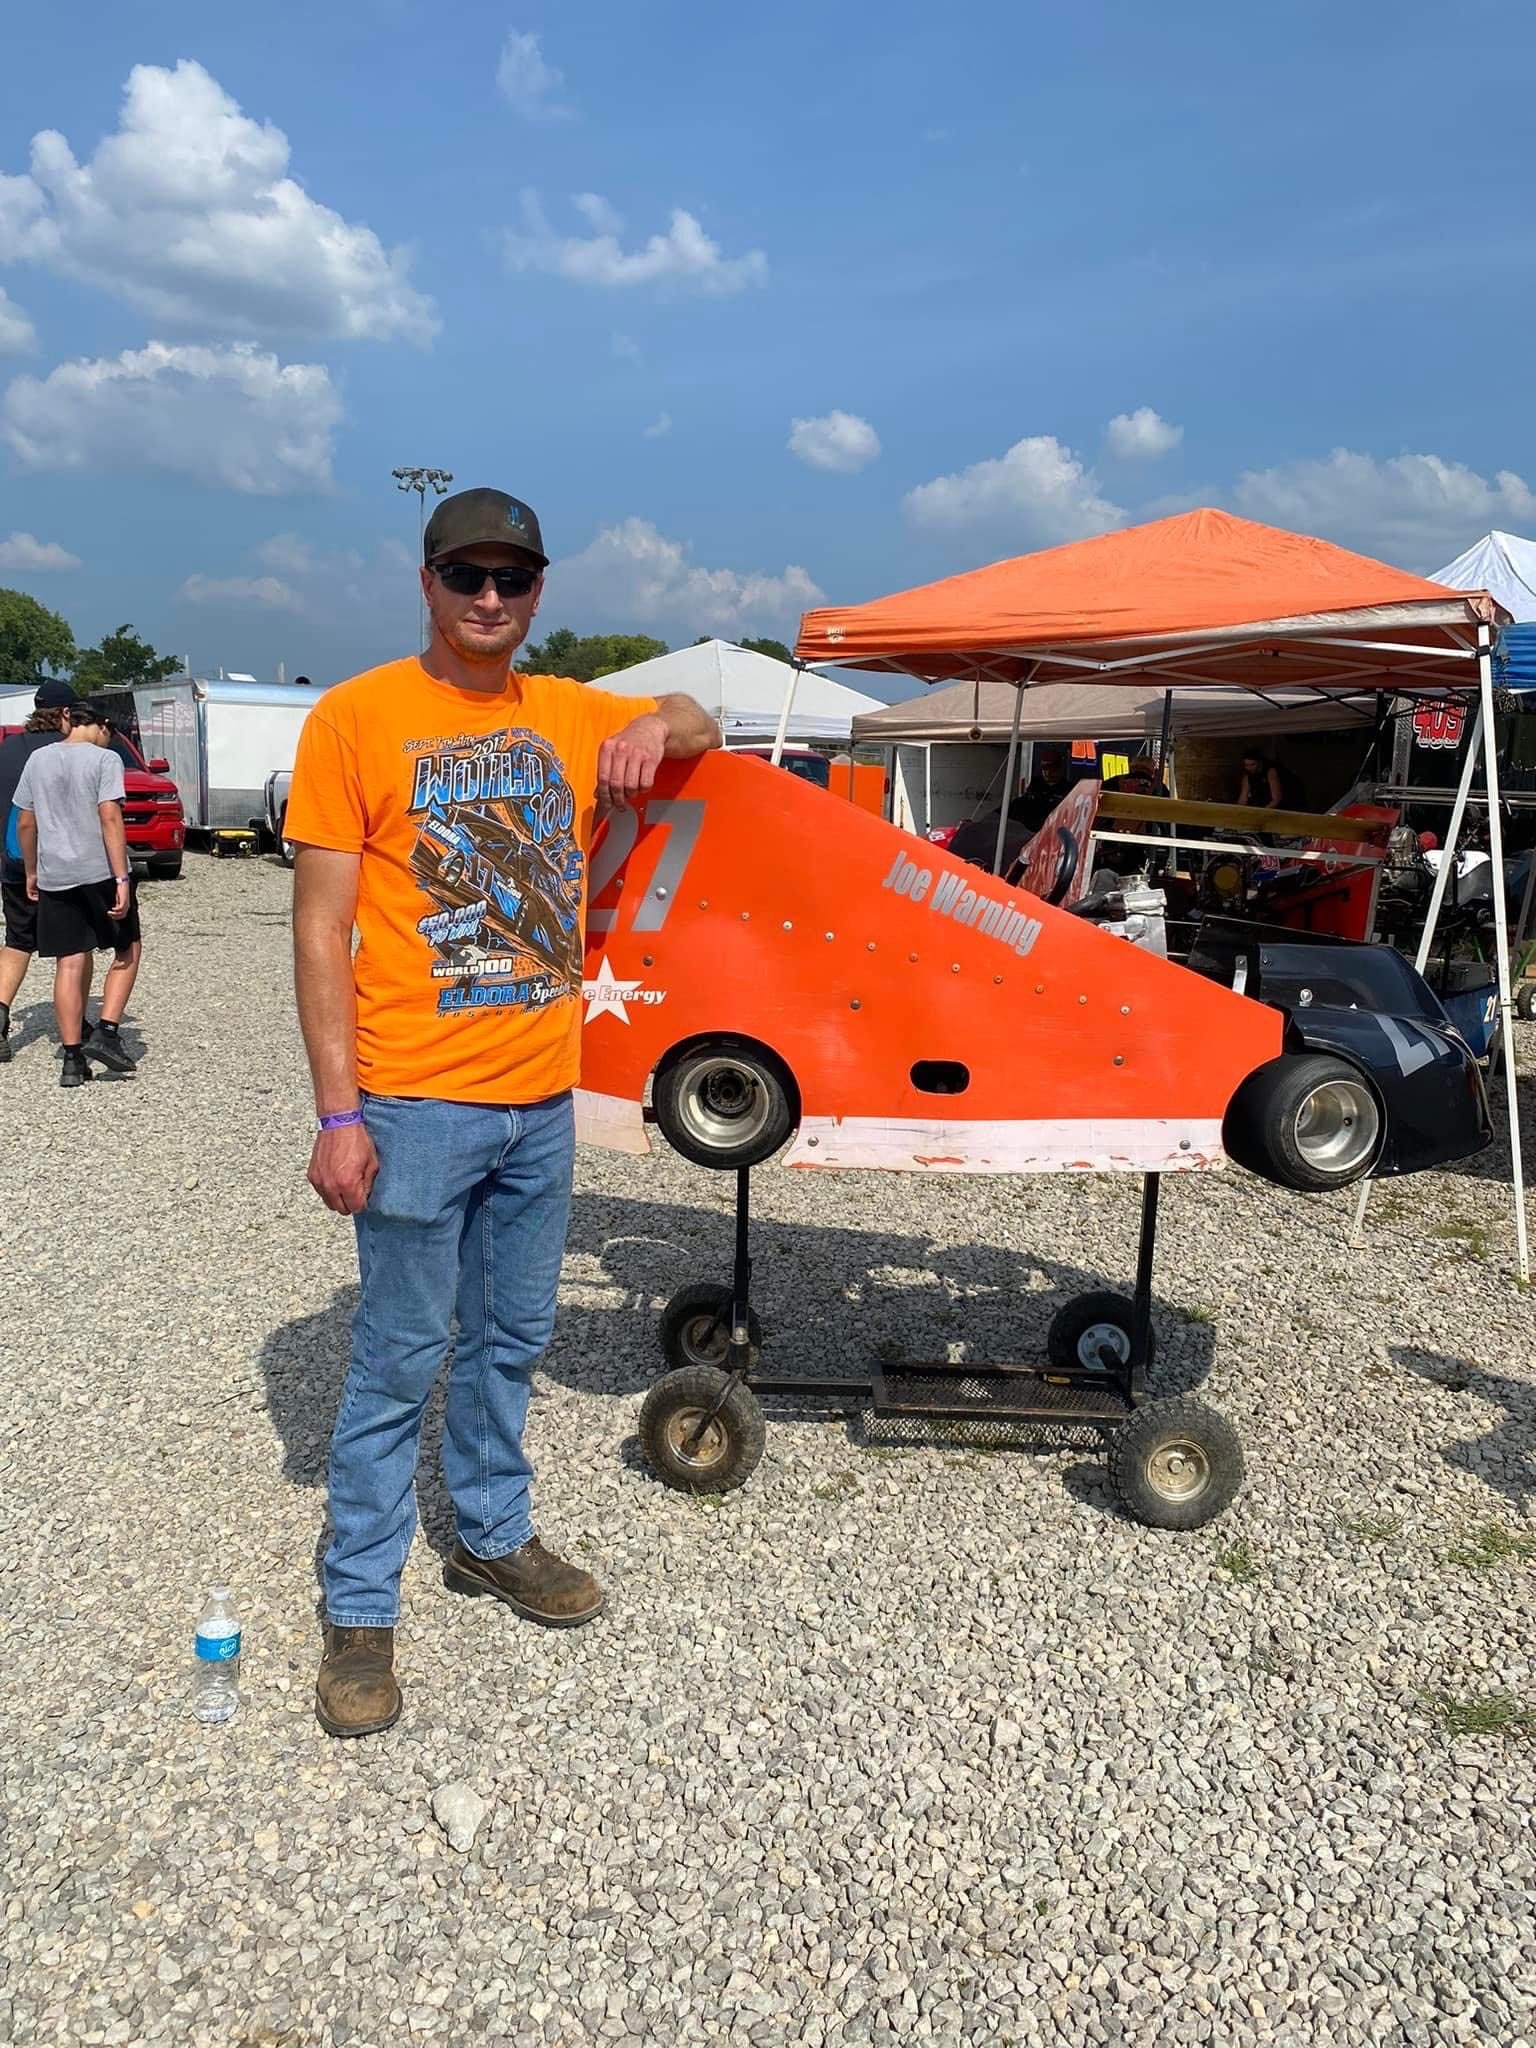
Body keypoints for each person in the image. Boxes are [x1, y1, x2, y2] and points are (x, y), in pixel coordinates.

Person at [286, 485, 720, 1739]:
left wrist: (664, 725)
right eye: (467, 575)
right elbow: (317, 928)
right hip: (414, 1099)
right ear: (426, 582)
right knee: (397, 1357)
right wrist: (335, 1111)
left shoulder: (570, 711)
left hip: (540, 1100)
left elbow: (710, 716)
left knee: (513, 1337)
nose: (490, 599)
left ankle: (489, 1532)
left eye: (513, 579)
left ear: (538, 592)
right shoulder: (356, 718)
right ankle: (361, 1604)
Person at [12, 701, 141, 1087]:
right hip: (99, 870)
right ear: (103, 725)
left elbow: (25, 821)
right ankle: (107, 1031)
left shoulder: (38, 758)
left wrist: (32, 870)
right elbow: (109, 815)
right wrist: (121, 878)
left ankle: (71, 1060)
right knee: (127, 948)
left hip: (56, 874)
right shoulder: (105, 761)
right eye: (112, 734)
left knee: (69, 962)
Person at [0, 680, 74, 1062]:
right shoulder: (64, 751)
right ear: (64, 713)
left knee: (17, 940)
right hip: (60, 865)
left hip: (12, 863)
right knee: (73, 947)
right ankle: (74, 1034)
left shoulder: (9, 747)